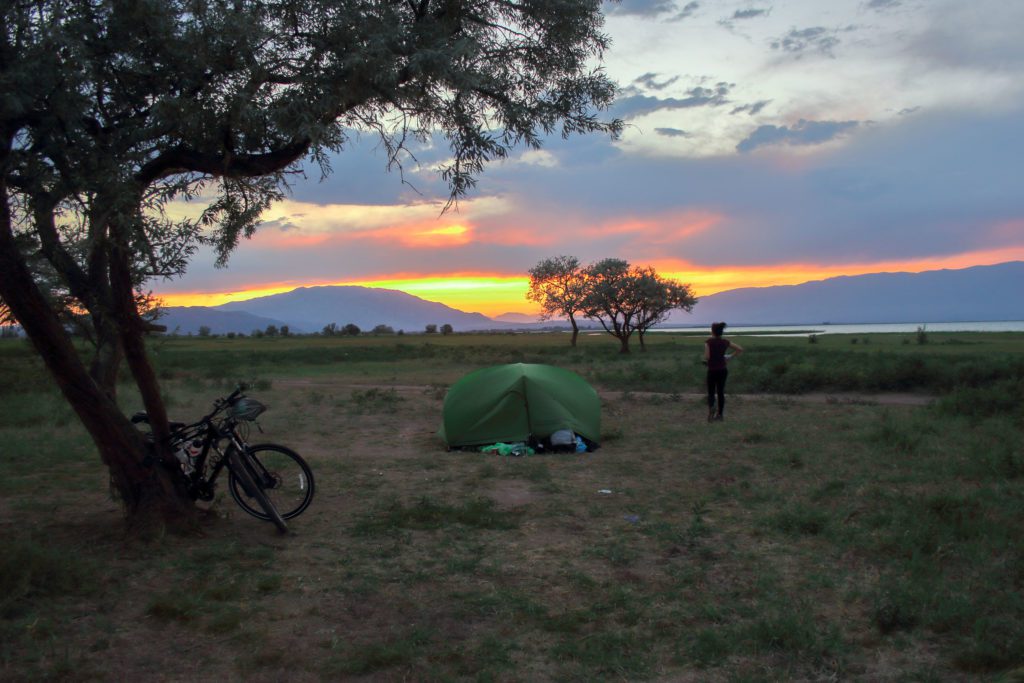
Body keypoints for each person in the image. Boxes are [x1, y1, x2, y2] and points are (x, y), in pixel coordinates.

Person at [704, 321, 743, 422]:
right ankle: (720, 415)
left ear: (713, 332)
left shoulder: (708, 342)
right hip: (722, 370)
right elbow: (739, 349)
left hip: (712, 370)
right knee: (720, 392)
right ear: (721, 332)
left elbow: (707, 357)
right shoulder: (725, 342)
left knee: (711, 392)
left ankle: (711, 409)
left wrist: (708, 360)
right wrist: (729, 357)